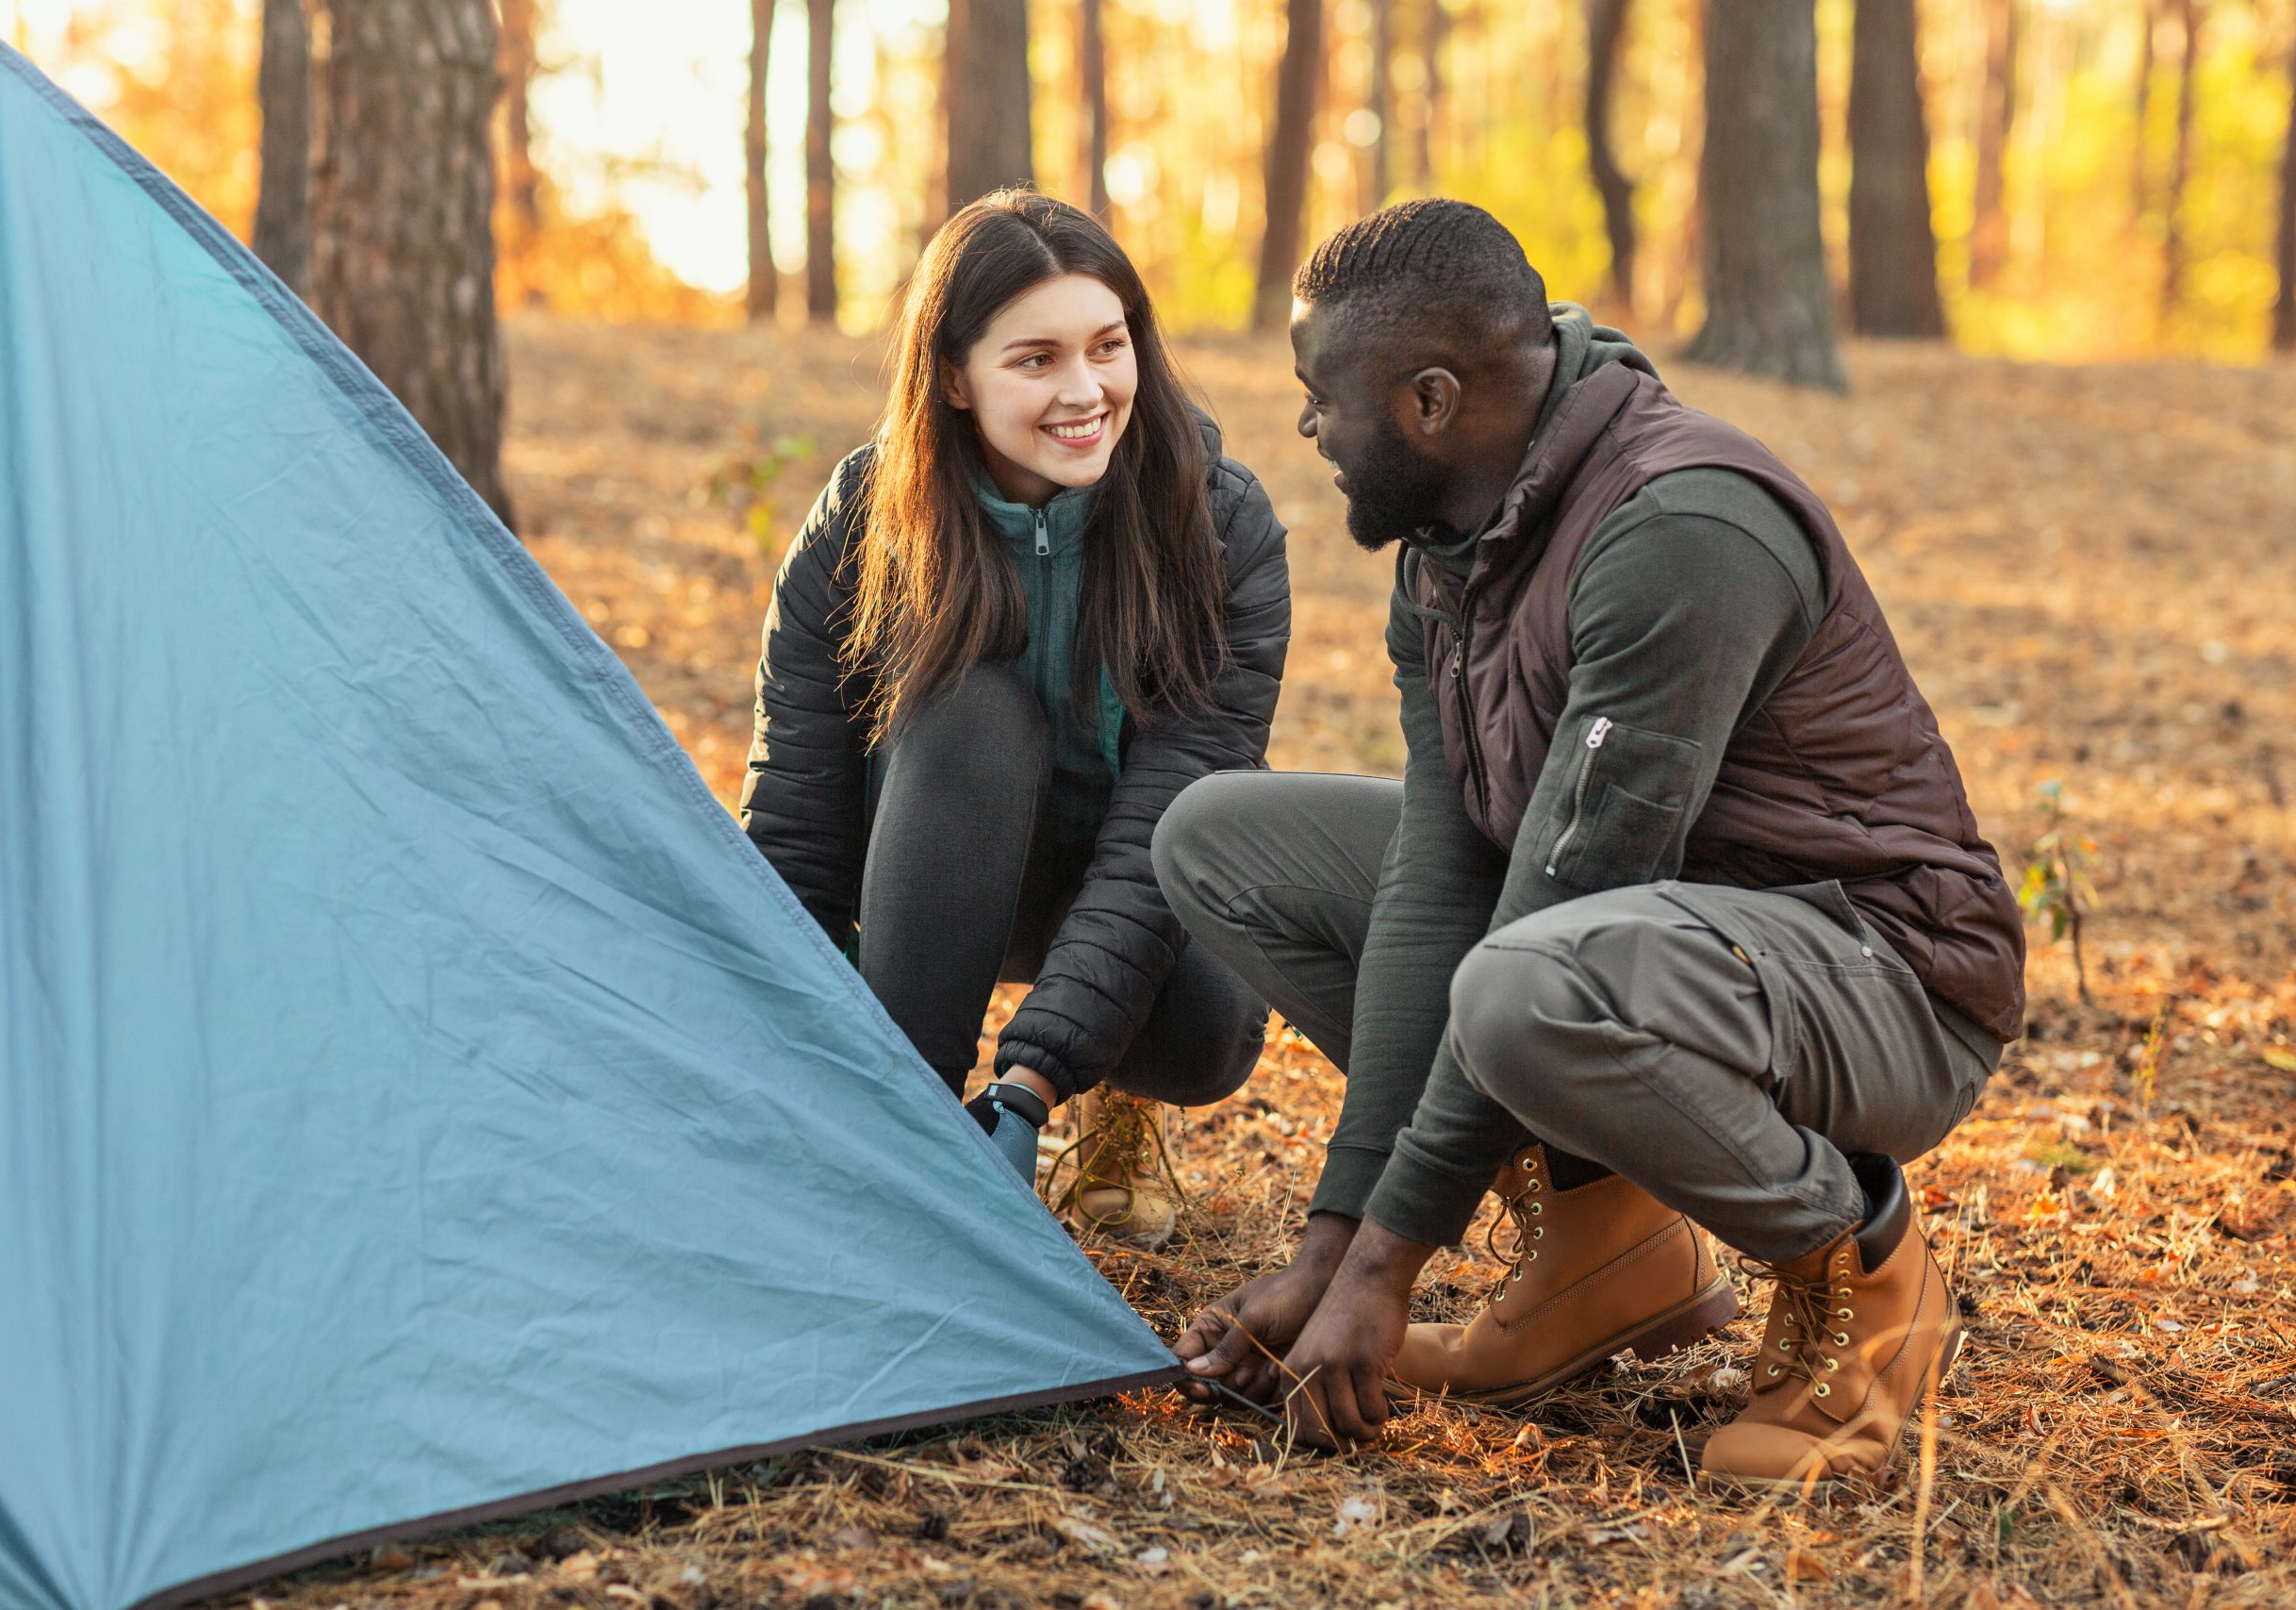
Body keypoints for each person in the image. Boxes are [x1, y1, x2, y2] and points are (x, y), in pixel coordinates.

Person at [1153, 199, 2023, 1487]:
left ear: (1432, 399)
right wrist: (1333, 1247)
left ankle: (1868, 1264)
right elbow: (1442, 877)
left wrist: (1391, 1265)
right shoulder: (1451, 532)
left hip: (1881, 975)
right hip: (1650, 946)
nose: (1308, 431)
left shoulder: (1683, 529)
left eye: (1319, 398)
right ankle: (1603, 1238)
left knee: (1524, 983)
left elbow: (1563, 893)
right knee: (1222, 839)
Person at [739, 190, 1291, 1245]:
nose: (1085, 391)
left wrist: (1030, 1086)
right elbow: (797, 834)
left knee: (1204, 1034)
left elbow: (1172, 813)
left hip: (1131, 877)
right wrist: (809, 1088)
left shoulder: (1217, 524)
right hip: (929, 866)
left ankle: (1112, 1104)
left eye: (1107, 347)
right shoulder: (860, 527)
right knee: (967, 714)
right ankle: (907, 1129)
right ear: (952, 375)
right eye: (1035, 360)